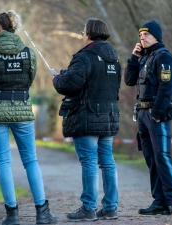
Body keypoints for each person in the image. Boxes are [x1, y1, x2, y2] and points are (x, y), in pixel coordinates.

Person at [0, 10, 57, 225]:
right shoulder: (28, 53)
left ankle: (12, 215)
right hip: (21, 108)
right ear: (15, 28)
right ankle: (42, 212)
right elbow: (29, 79)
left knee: (3, 161)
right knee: (30, 160)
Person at [52, 18, 121, 222]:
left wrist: (58, 79)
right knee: (107, 162)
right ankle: (110, 208)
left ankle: (89, 208)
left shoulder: (85, 57)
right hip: (109, 116)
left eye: (84, 31)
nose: (83, 35)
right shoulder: (114, 58)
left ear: (89, 33)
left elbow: (69, 85)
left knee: (89, 162)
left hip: (87, 116)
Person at [124, 20, 172, 215]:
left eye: (146, 34)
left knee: (162, 157)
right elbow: (129, 80)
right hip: (142, 115)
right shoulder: (144, 58)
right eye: (140, 35)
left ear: (156, 36)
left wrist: (157, 114)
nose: (142, 37)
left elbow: (167, 88)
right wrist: (133, 58)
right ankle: (159, 201)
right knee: (151, 158)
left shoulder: (163, 57)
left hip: (155, 115)